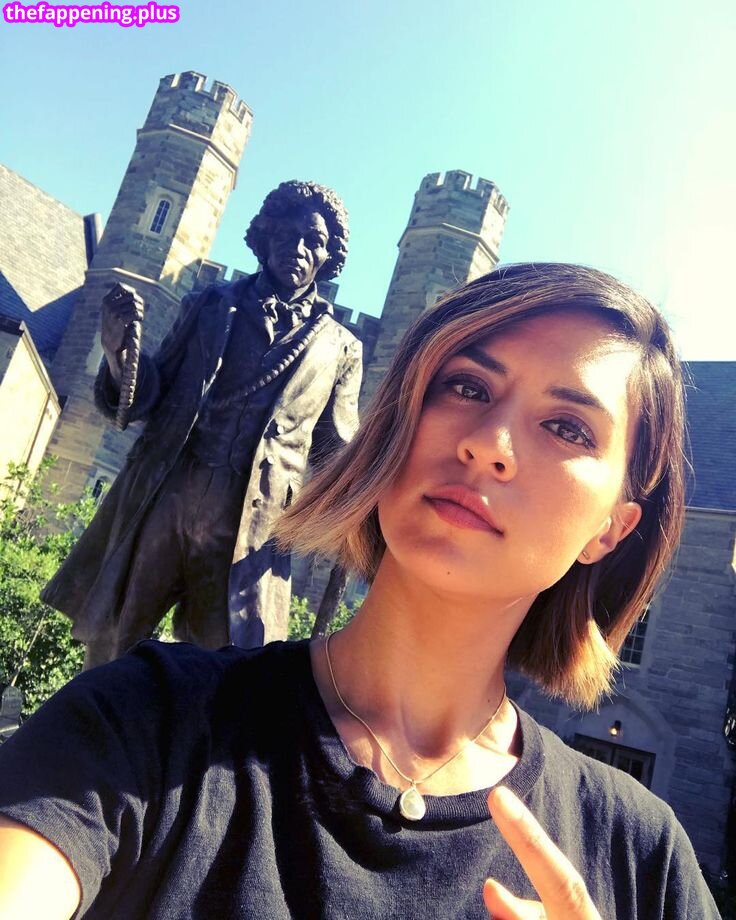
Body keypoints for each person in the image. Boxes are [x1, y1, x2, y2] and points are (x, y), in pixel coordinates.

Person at [0, 263, 720, 918]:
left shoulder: (642, 856)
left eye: (566, 427)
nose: (488, 443)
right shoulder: (144, 722)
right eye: (467, 387)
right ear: (399, 421)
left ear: (611, 529)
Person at [41, 180, 362, 667]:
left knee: (231, 675)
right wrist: (118, 353)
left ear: (327, 257)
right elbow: (149, 395)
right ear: (266, 234)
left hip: (252, 532)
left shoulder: (342, 349)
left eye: (313, 240)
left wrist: (374, 489)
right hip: (168, 500)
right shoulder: (210, 305)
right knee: (111, 647)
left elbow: (337, 452)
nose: (297, 248)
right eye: (287, 232)